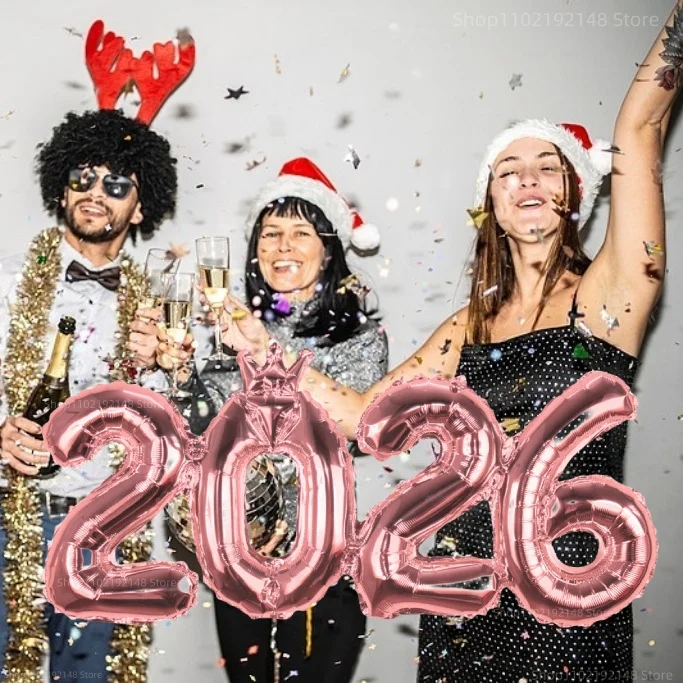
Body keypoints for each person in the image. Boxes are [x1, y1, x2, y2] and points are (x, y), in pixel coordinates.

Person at [213, 4, 680, 680]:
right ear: (490, 202)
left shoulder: (609, 299)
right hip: (463, 586)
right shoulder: (469, 325)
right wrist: (261, 346)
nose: (526, 179)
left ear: (575, 193)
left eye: (546, 167)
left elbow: (641, 126)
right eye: (508, 169)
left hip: (571, 584)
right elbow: (363, 417)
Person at [146, 157, 388, 682]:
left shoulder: (360, 338)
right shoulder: (232, 330)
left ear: (329, 250)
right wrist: (179, 371)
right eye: (270, 233)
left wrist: (264, 348)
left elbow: (347, 432)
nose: (283, 246)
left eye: (300, 233)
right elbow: (202, 428)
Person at [0, 108, 177, 680]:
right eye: (83, 177)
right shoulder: (7, 282)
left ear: (140, 207)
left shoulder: (157, 307)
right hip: (8, 518)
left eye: (117, 184)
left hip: (101, 533)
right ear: (62, 189)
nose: (96, 192)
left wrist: (158, 370)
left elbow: (172, 434)